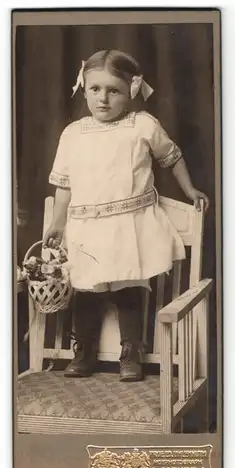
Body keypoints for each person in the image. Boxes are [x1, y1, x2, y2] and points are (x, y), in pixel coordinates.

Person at [43, 49, 209, 382]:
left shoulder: (142, 125)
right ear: (84, 88)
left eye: (113, 90)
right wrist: (57, 223)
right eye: (95, 89)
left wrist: (190, 190)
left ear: (131, 90)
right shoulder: (73, 133)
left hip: (129, 225)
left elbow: (171, 157)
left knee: (128, 290)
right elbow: (64, 184)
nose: (103, 98)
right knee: (87, 290)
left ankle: (131, 352)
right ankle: (84, 352)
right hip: (87, 228)